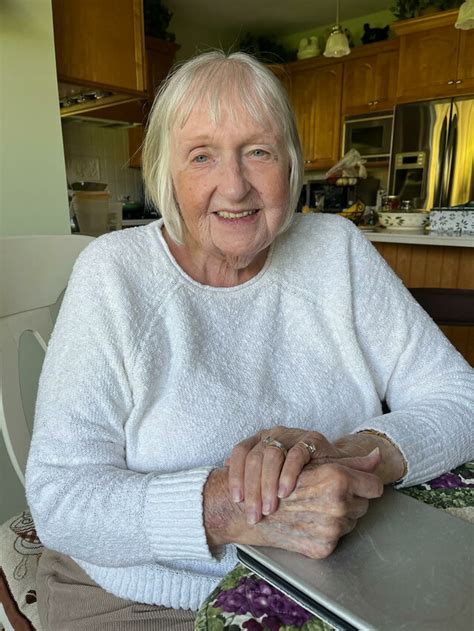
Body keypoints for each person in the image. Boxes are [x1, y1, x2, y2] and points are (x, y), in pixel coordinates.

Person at [26, 51, 473, 630]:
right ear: (165, 174)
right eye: (202, 156)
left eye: (258, 152)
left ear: (291, 164)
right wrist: (230, 507)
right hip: (149, 592)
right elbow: (62, 497)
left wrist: (354, 457)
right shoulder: (114, 275)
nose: (234, 188)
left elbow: (460, 397)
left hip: (334, 575)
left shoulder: (336, 249)